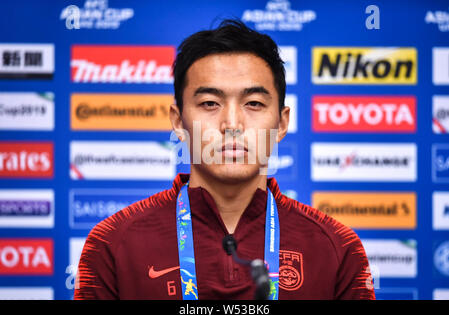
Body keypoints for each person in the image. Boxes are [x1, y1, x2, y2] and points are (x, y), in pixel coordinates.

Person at [74, 19, 375, 300]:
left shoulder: (338, 247)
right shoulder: (111, 243)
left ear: (281, 124)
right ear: (178, 122)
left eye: (254, 103)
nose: (232, 123)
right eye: (210, 103)